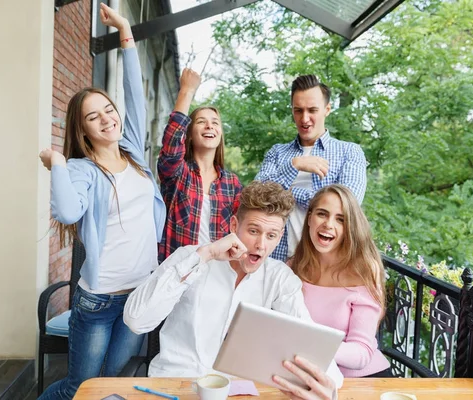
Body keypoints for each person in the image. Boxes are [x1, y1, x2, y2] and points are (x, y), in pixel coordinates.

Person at [37, 4, 165, 399]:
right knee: (81, 388)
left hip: (139, 294)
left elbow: (134, 96)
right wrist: (58, 163)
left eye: (108, 110)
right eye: (94, 117)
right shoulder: (80, 169)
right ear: (83, 128)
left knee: (109, 385)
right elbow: (67, 212)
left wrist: (125, 31)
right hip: (98, 300)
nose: (107, 118)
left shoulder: (134, 154)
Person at [123, 181, 343, 400]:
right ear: (234, 225)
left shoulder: (280, 279)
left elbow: (309, 341)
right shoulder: (191, 257)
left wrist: (328, 388)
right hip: (174, 385)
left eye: (271, 235)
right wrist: (204, 256)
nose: (261, 245)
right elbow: (136, 320)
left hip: (236, 393)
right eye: (253, 231)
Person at [255, 74, 367, 261]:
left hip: (325, 265)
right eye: (298, 110)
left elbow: (347, 207)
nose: (305, 119)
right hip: (276, 260)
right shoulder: (277, 153)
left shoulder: (350, 152)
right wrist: (295, 165)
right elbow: (256, 196)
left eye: (312, 110)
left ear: (327, 109)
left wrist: (288, 193)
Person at [290, 184, 390, 378]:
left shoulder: (362, 272)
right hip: (305, 377)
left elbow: (361, 354)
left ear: (350, 228)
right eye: (322, 214)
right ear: (309, 217)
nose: (328, 224)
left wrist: (308, 346)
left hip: (362, 381)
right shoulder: (293, 267)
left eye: (340, 220)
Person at [157, 68, 242, 262]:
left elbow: (242, 228)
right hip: (177, 274)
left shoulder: (232, 183)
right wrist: (186, 91)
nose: (210, 126)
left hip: (216, 274)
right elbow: (171, 145)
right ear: (189, 134)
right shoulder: (178, 173)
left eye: (215, 123)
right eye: (201, 122)